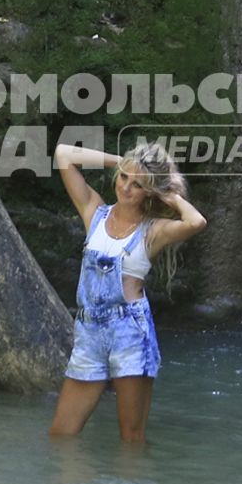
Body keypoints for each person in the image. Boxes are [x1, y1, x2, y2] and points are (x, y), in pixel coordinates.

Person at [48, 140, 207, 443]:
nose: (126, 188)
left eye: (137, 185)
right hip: (89, 332)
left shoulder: (154, 230)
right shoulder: (94, 212)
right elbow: (64, 155)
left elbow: (196, 221)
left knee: (131, 438)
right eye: (123, 178)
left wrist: (166, 193)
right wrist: (122, 162)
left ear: (149, 192)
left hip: (131, 333)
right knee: (61, 435)